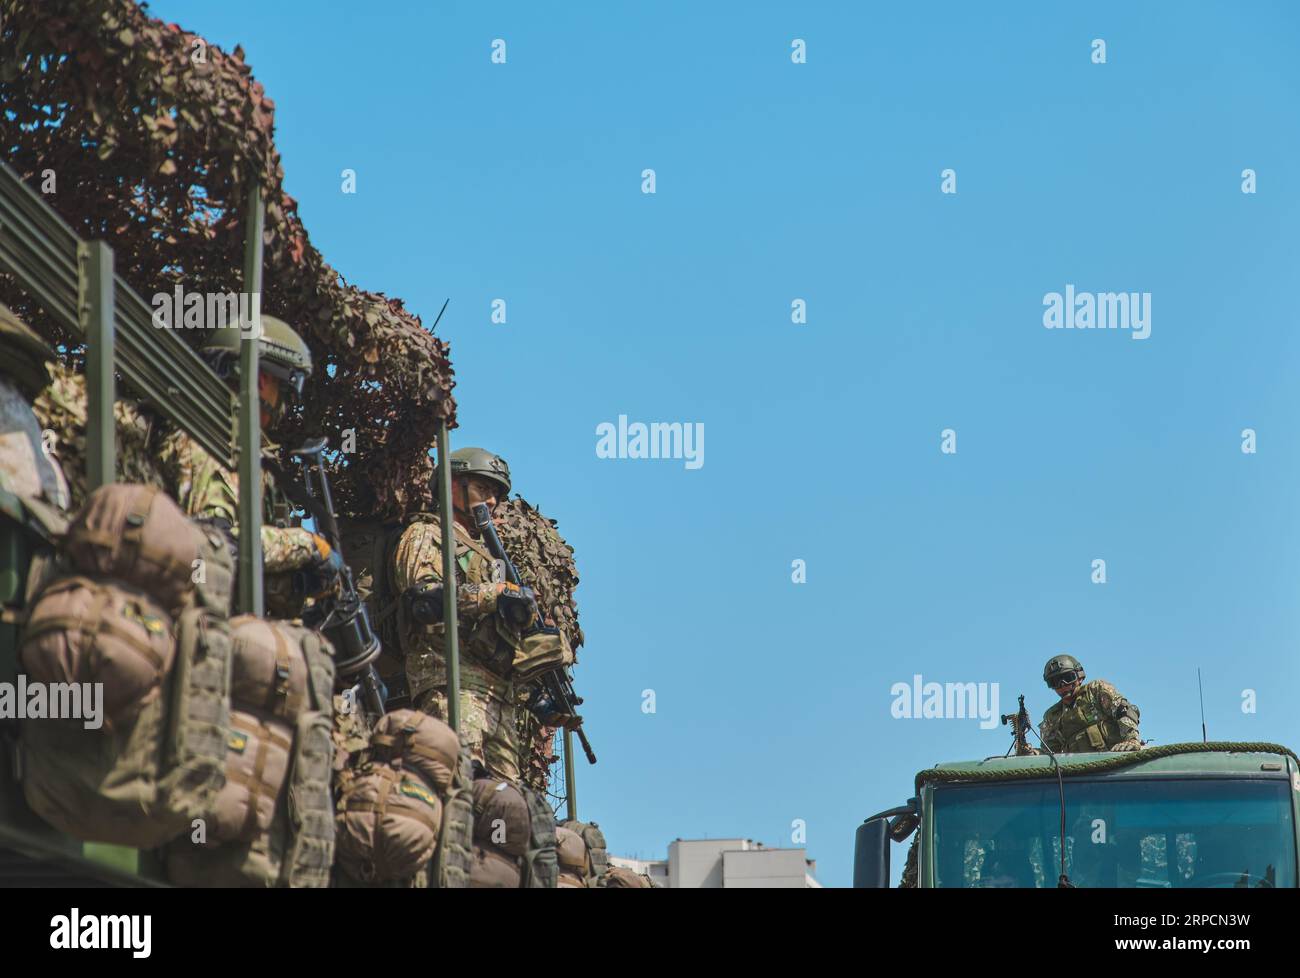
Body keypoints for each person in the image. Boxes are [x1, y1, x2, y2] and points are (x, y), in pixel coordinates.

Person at [156, 315, 342, 613]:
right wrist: (305, 546)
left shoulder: (234, 444)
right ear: (260, 380)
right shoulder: (211, 439)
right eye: (283, 389)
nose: (283, 405)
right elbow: (214, 542)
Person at [390, 447, 533, 781]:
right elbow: (425, 598)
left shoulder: (484, 554)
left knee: (505, 803)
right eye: (483, 488)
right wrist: (494, 595)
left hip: (496, 696)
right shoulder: (427, 534)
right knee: (459, 783)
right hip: (449, 680)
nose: (493, 500)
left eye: (497, 493)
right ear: (452, 485)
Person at [1038, 654, 1141, 753]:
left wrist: (1131, 739)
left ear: (1079, 677)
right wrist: (1031, 752)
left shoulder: (1095, 691)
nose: (1063, 685)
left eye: (1068, 678)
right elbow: (1048, 751)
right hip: (1080, 768)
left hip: (1115, 758)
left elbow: (1122, 710)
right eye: (1055, 682)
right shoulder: (1053, 716)